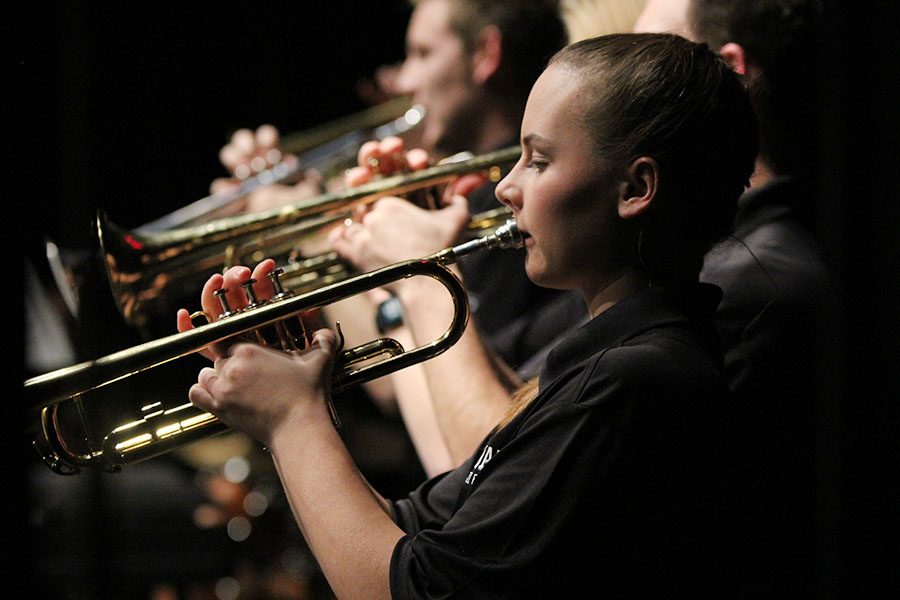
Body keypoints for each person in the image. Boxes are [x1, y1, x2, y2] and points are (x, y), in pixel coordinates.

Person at [181, 32, 759, 597]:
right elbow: (412, 526)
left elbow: (409, 587)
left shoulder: (635, 383)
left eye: (538, 160)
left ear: (636, 186)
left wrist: (291, 418)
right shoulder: (601, 359)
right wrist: (285, 390)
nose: (506, 186)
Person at [634, 1, 829, 597]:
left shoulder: (750, 281)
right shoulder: (688, 247)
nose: (612, 80)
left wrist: (420, 294)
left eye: (646, 59)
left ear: (726, 74)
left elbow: (486, 468)